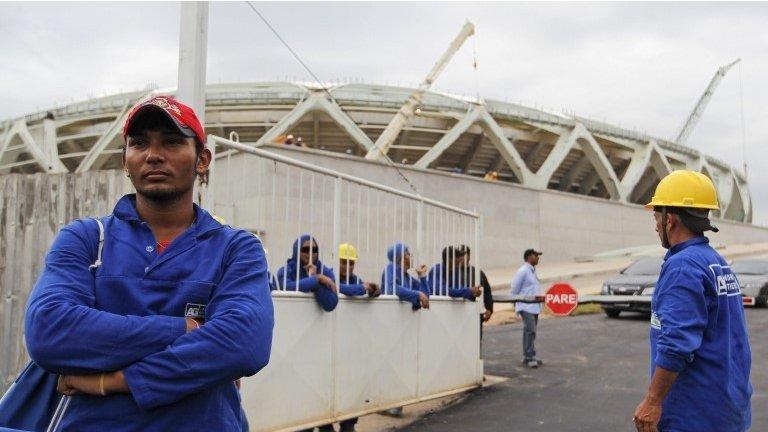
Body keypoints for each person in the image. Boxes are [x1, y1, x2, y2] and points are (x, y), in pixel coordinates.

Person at [23, 95, 274, 431]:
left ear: (202, 160)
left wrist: (114, 380)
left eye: (171, 142)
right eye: (139, 143)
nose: (154, 155)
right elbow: (48, 331)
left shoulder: (236, 248)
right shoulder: (85, 239)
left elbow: (244, 344)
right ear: (126, 161)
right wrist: (184, 329)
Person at [632, 170, 752, 432]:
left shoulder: (683, 266)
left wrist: (652, 402)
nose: (655, 225)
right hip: (726, 408)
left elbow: (676, 343)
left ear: (670, 219)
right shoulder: (715, 262)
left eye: (656, 216)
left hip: (694, 414)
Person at [276, 235, 339, 312]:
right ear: (297, 250)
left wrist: (314, 281)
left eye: (314, 250)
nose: (310, 253)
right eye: (305, 249)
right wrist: (317, 279)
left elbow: (330, 304)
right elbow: (287, 286)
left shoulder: (324, 271)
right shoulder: (286, 270)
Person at [510, 248, 543, 368]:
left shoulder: (533, 271)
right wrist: (516, 303)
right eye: (536, 255)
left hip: (534, 306)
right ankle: (529, 357)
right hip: (525, 306)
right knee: (530, 330)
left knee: (529, 332)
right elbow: (514, 289)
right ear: (529, 257)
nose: (538, 258)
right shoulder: (523, 271)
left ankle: (528, 355)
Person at [456, 245, 494, 334]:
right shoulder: (452, 273)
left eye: (462, 255)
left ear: (469, 256)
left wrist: (489, 309)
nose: (460, 258)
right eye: (458, 256)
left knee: (476, 343)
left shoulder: (478, 273)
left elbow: (487, 292)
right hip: (457, 313)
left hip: (475, 314)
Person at [381, 243, 430, 310]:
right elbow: (391, 288)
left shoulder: (407, 277)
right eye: (408, 254)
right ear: (402, 257)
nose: (411, 255)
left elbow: (425, 297)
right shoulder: (391, 268)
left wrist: (422, 276)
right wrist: (417, 295)